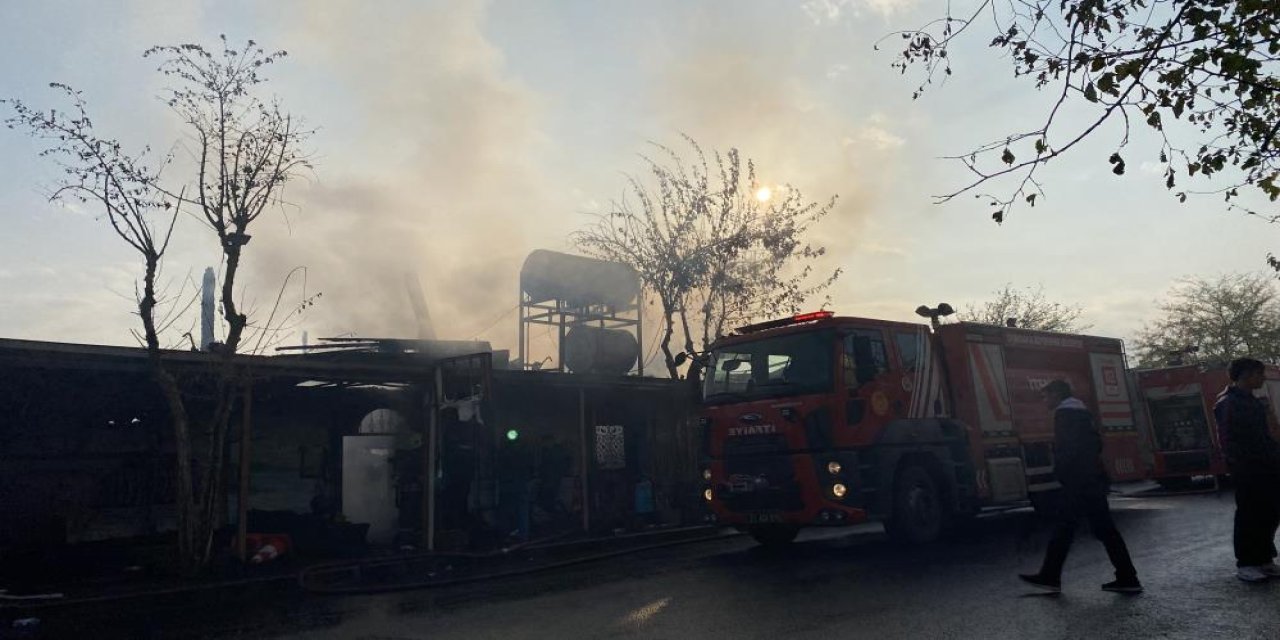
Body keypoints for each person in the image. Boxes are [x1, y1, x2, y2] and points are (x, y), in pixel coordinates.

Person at [1020, 379, 1141, 593]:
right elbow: (1095, 444)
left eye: (1046, 396)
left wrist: (1062, 473)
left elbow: (1067, 450)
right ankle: (1127, 576)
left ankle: (1050, 577)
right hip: (1091, 479)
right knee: (1100, 529)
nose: (1045, 400)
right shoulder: (1083, 413)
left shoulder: (1064, 415)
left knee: (1066, 527)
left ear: (1057, 395)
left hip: (1078, 482)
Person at [1213, 357, 1280, 582]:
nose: (1262, 378)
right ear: (1246, 375)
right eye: (1259, 374)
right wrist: (1239, 464)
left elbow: (1266, 435)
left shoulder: (1255, 401)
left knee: (1270, 512)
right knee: (1248, 514)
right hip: (1247, 468)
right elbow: (1226, 439)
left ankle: (1264, 559)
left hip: (1267, 464)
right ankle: (1246, 563)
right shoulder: (1228, 403)